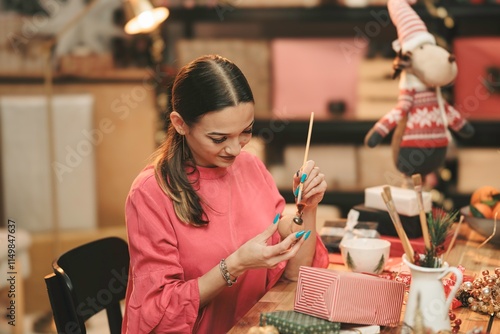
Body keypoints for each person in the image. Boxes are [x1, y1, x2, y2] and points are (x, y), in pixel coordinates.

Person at [122, 54, 329, 334]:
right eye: (219, 139)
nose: (235, 149)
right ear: (180, 123)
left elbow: (294, 274)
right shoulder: (151, 194)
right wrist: (235, 264)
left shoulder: (250, 165)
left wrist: (308, 208)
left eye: (246, 132)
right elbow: (160, 316)